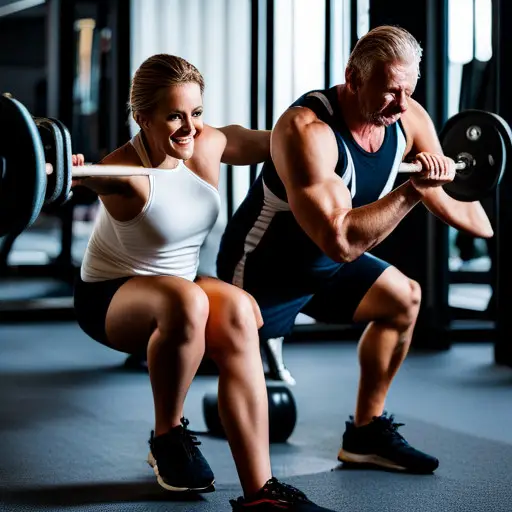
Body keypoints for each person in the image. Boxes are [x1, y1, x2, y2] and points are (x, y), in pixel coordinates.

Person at [216, 25, 494, 474]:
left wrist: (483, 211)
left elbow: (454, 200)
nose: (401, 105)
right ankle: (168, 431)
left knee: (404, 298)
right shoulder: (308, 130)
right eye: (389, 91)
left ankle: (366, 432)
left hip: (323, 265)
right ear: (353, 77)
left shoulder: (407, 117)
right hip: (261, 270)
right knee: (215, 362)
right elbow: (342, 240)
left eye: (409, 90)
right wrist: (413, 189)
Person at [72, 54, 336, 512]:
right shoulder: (122, 173)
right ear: (143, 118)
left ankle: (261, 491)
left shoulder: (207, 143)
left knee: (238, 310)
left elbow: (289, 140)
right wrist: (69, 172)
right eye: (174, 116)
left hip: (180, 285)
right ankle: (167, 436)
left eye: (196, 113)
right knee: (189, 301)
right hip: (111, 295)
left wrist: (345, 136)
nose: (189, 128)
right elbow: (72, 181)